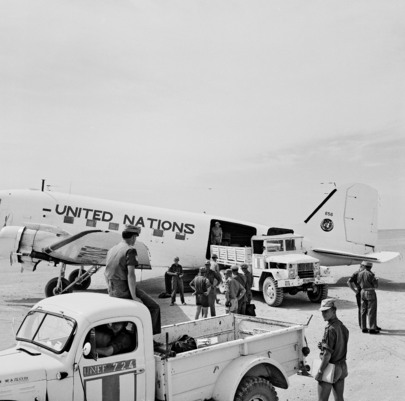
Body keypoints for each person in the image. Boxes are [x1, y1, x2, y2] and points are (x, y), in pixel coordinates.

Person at [105, 224, 161, 334]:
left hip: (112, 288)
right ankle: (148, 339)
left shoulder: (112, 249)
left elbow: (106, 272)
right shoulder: (130, 250)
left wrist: (110, 289)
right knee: (154, 308)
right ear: (133, 237)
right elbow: (131, 275)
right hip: (123, 288)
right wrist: (134, 296)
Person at [316, 299, 349, 401]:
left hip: (331, 367)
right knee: (339, 398)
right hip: (342, 367)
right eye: (322, 311)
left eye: (326, 311)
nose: (323, 314)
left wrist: (320, 371)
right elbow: (339, 345)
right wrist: (323, 345)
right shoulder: (343, 327)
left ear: (334, 310)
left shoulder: (330, 329)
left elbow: (327, 354)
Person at [357, 261, 380, 334]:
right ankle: (372, 328)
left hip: (363, 292)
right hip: (370, 292)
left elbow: (358, 282)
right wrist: (376, 280)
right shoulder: (371, 274)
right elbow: (376, 286)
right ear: (371, 267)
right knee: (371, 310)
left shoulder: (360, 273)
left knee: (363, 310)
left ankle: (363, 327)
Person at [347, 264, 365, 328]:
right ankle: (362, 325)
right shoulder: (356, 273)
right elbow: (349, 282)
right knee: (361, 309)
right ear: (361, 266)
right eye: (364, 267)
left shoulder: (365, 273)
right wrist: (354, 290)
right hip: (359, 293)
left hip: (365, 293)